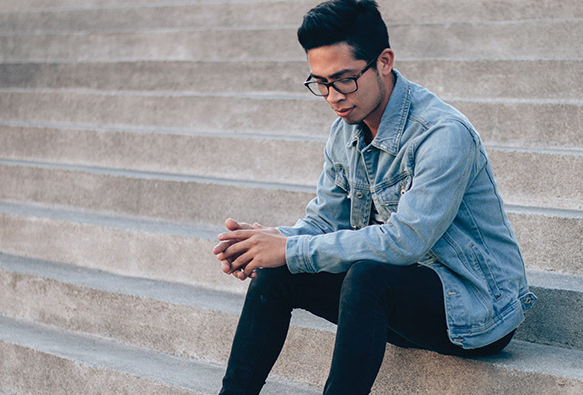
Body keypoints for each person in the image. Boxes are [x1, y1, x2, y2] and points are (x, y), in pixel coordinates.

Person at [213, 0, 535, 393]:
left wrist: (290, 249)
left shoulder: (442, 134)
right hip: (398, 300)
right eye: (321, 83)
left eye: (344, 79)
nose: (333, 96)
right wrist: (264, 243)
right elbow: (325, 222)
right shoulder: (344, 129)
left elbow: (404, 242)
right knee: (277, 272)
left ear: (384, 61)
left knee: (367, 276)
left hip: (476, 310)